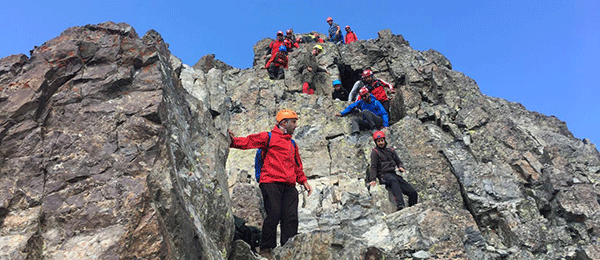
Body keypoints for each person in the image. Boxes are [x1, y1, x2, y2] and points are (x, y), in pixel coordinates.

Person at [228, 109, 313, 258]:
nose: (295, 125)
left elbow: (297, 165)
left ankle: (289, 248)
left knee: (291, 217)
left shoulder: (292, 143)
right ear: (284, 123)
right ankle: (266, 248)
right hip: (270, 182)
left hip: (289, 185)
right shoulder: (268, 137)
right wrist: (232, 141)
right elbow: (249, 141)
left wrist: (304, 181)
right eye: (293, 122)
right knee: (274, 213)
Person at [368, 131, 418, 211]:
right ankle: (400, 205)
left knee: (412, 191)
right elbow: (373, 166)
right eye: (378, 141)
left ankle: (414, 207)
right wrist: (373, 179)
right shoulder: (375, 152)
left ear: (384, 140)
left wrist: (400, 167)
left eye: (382, 140)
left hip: (393, 173)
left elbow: (398, 161)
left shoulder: (390, 150)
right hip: (383, 175)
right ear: (376, 142)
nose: (380, 143)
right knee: (393, 181)